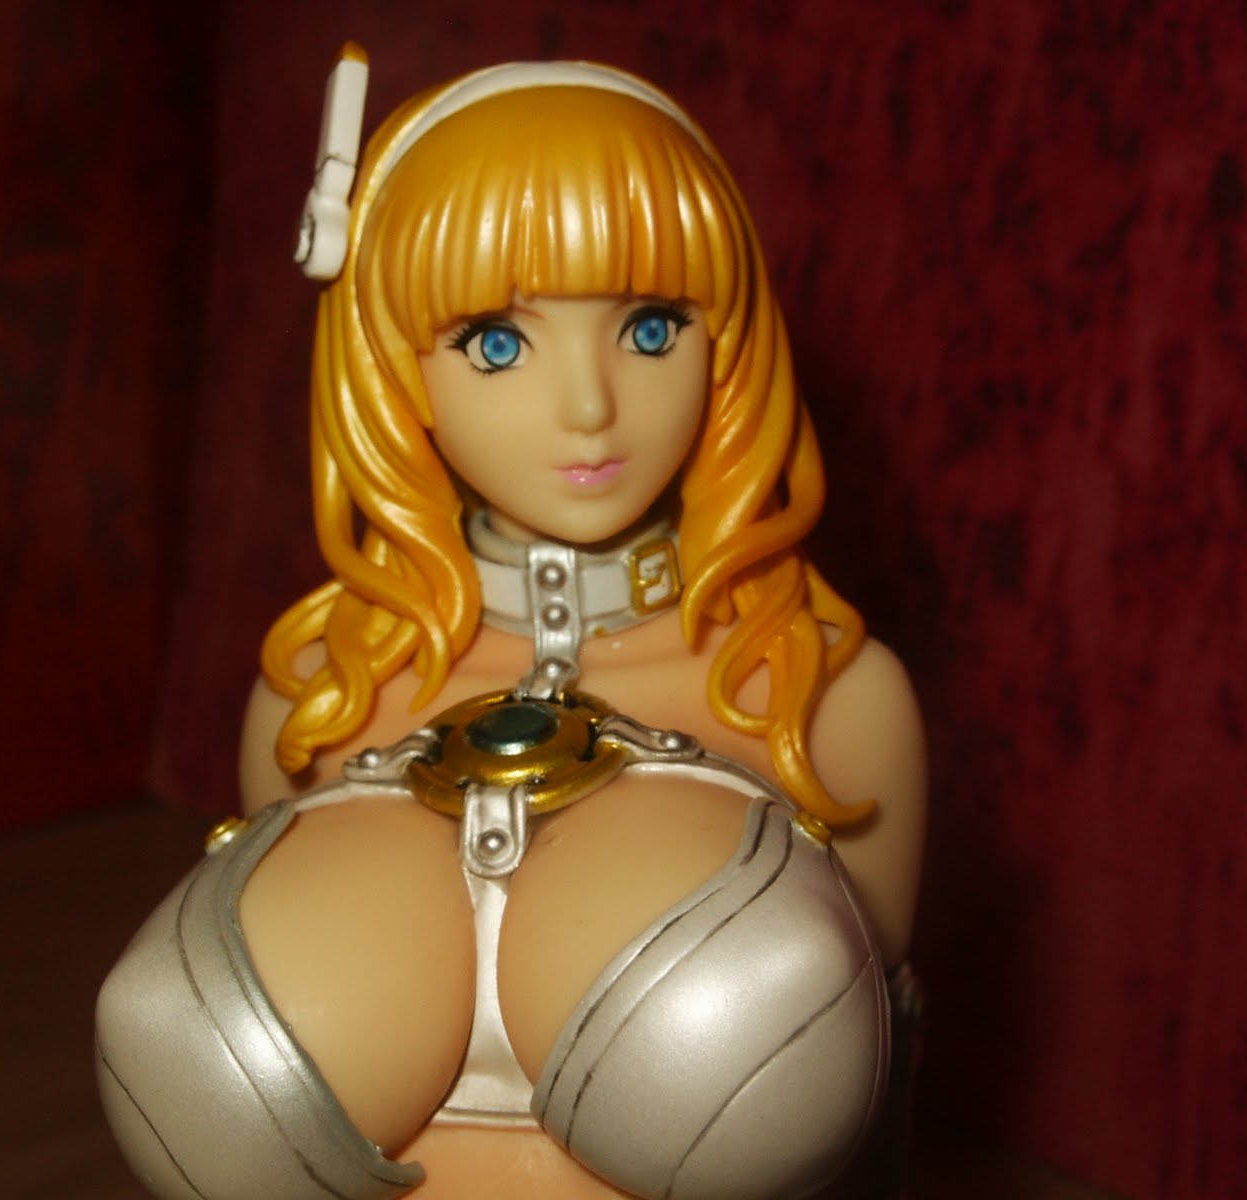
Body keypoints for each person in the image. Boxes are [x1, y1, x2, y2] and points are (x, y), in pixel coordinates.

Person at [98, 47, 926, 1200]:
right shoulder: (320, 695)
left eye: (651, 328)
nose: (589, 406)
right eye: (496, 342)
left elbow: (872, 1107)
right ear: (388, 367)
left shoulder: (821, 701)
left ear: (731, 339)